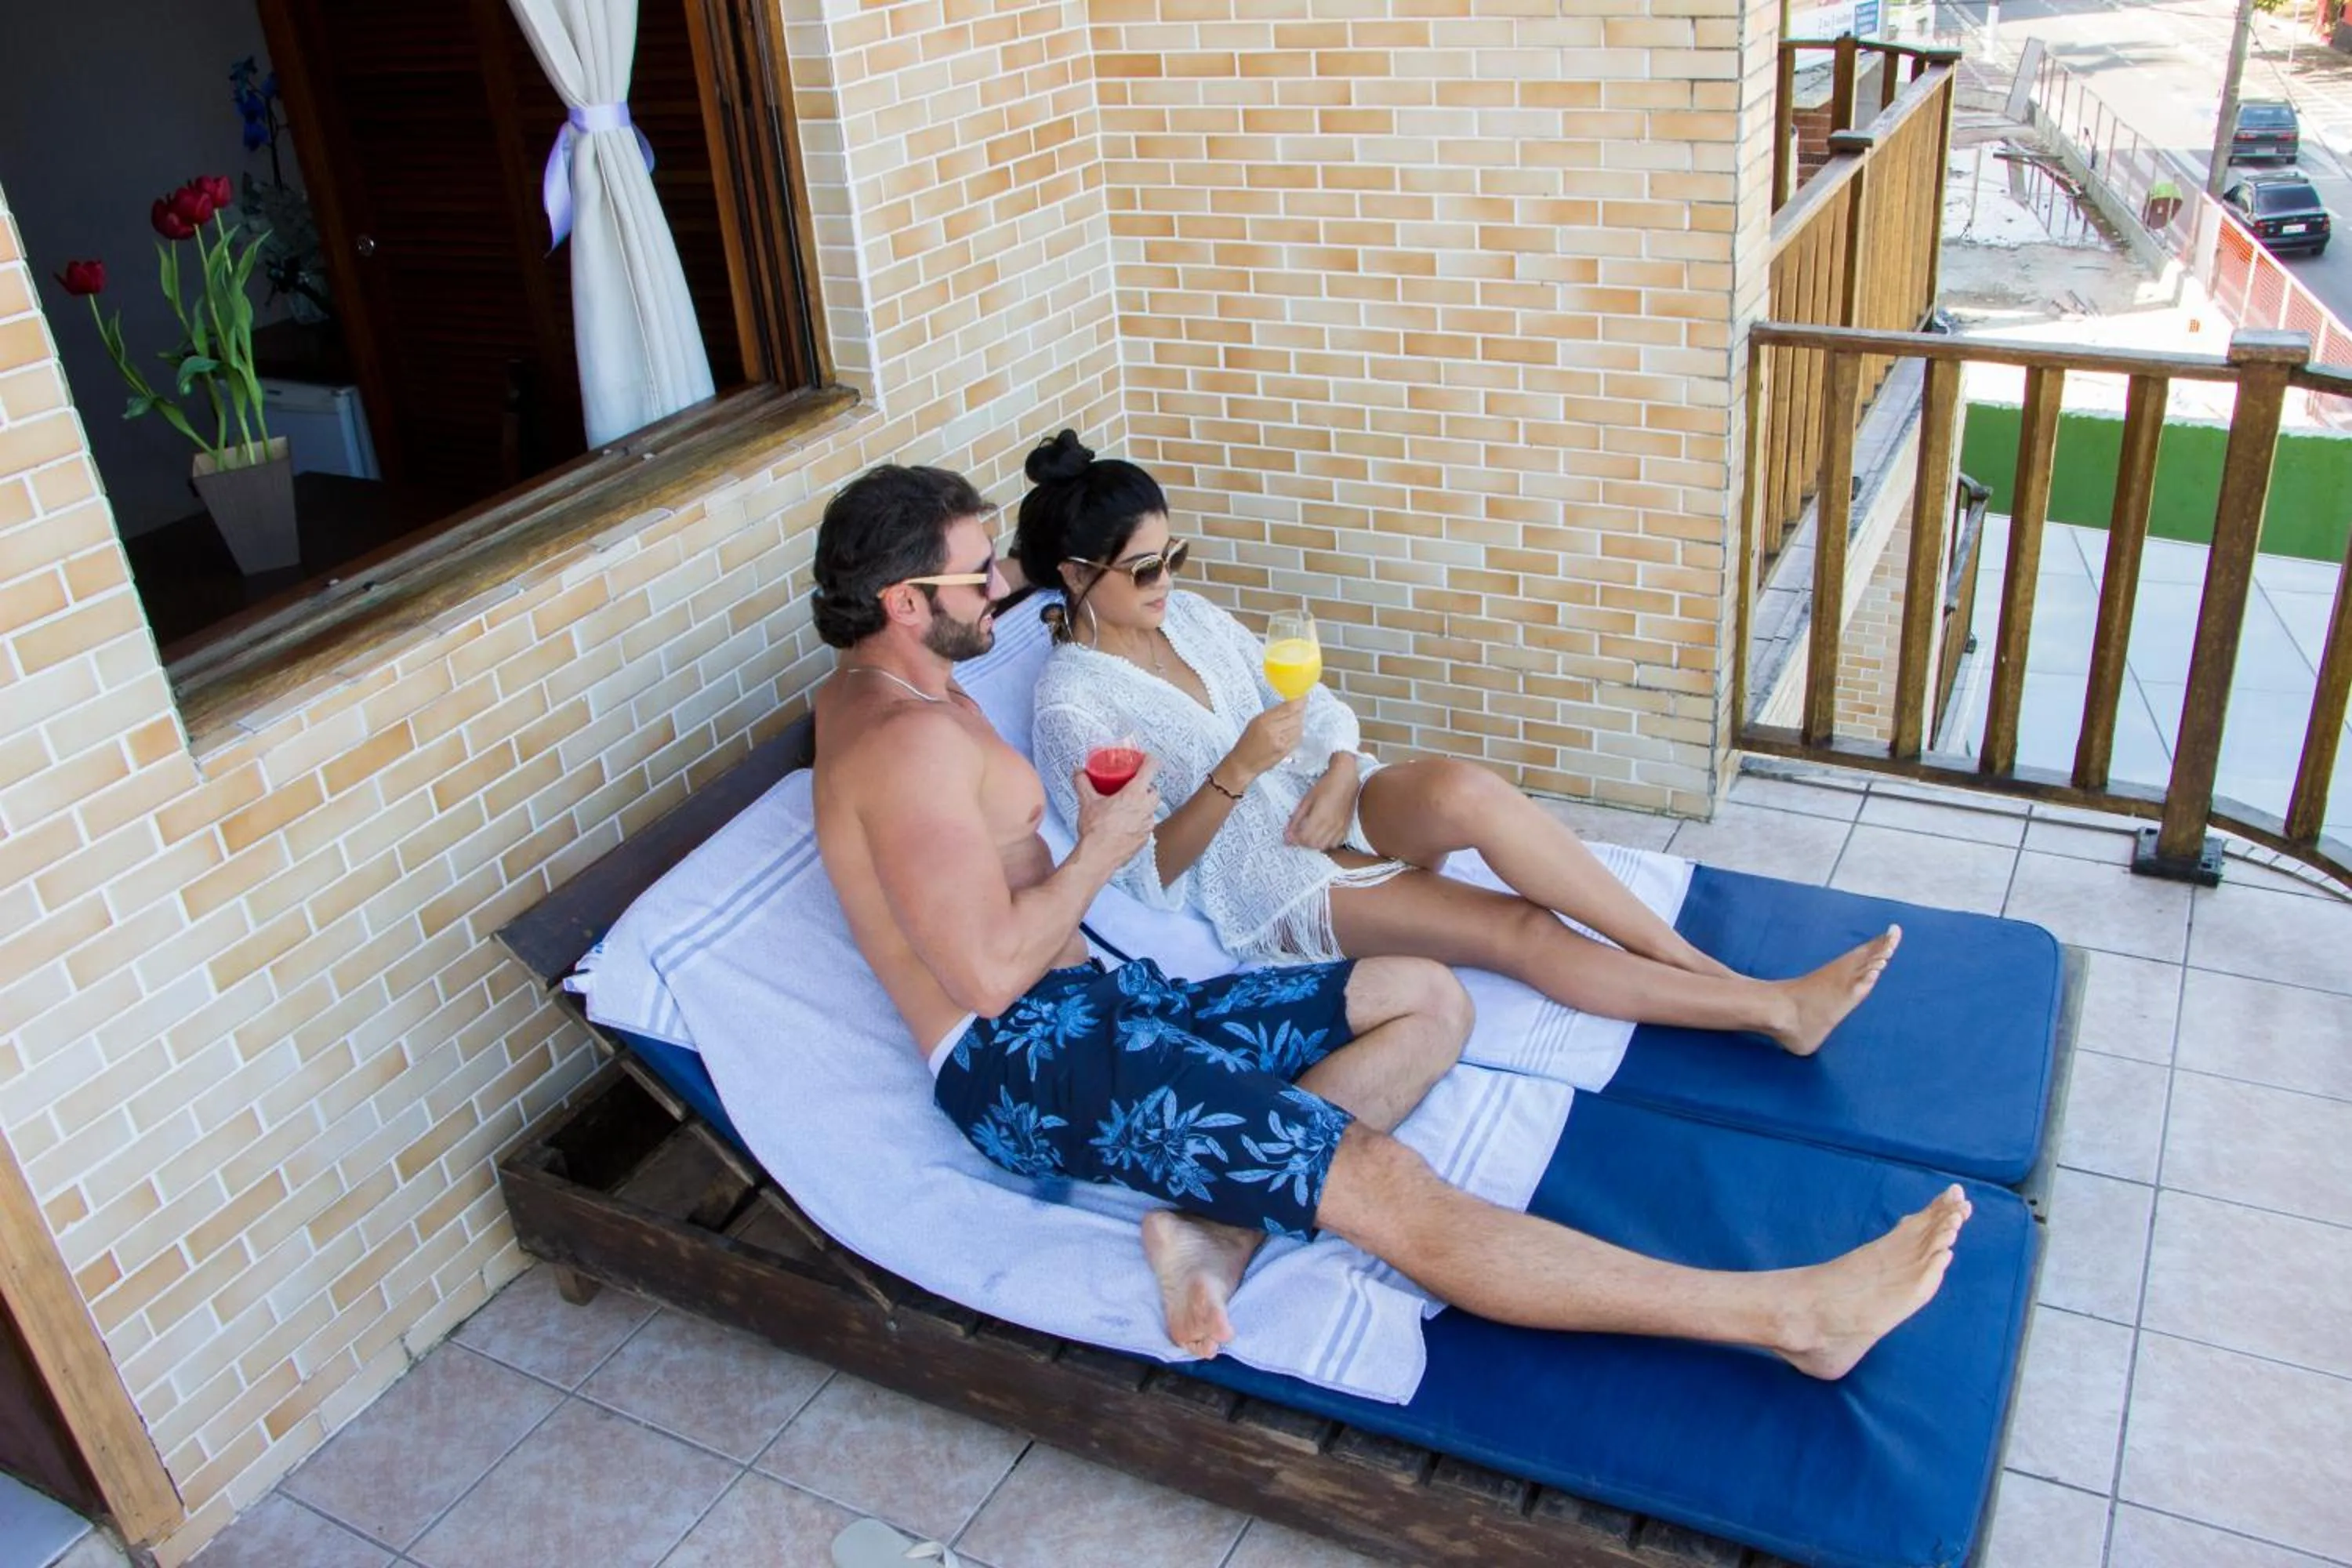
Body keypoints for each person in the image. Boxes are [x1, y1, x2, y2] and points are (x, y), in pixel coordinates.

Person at [810, 459, 1969, 1379]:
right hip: (1024, 1059)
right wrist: (1104, 849)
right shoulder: (905, 747)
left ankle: (1216, 1229)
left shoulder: (907, 686)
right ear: (907, 603)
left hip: (1098, 1005)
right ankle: (1790, 1317)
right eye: (979, 578)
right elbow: (986, 973)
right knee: (1378, 1179)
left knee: (1426, 993)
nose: (1004, 588)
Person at [1014, 430, 1900, 1054]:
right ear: (1075, 573)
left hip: (1329, 803)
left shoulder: (1195, 619)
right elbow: (1140, 873)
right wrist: (1236, 772)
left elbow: (1317, 705)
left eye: (1175, 555)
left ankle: (1694, 964)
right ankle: (1771, 1011)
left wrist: (1342, 768)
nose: (1168, 581)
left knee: (1467, 790)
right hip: (1275, 877)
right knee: (1518, 927)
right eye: (1145, 568)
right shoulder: (1074, 707)